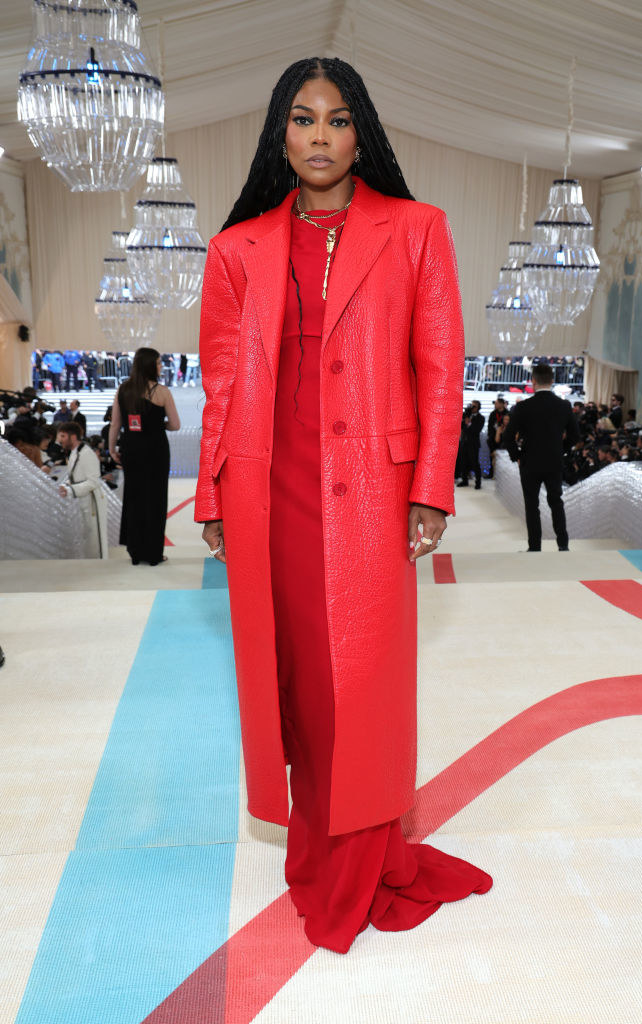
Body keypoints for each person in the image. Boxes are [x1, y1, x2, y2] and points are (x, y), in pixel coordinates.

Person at [195, 57, 492, 956]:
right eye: (302, 119)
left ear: (360, 132)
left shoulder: (416, 229)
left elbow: (442, 371)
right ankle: (320, 842)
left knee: (354, 682)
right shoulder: (235, 247)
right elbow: (221, 381)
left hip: (368, 489)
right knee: (291, 674)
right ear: (279, 135)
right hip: (268, 487)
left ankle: (362, 858)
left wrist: (429, 487)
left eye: (336, 120)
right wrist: (211, 489)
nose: (319, 136)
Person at [109, 347, 180, 566]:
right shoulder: (162, 392)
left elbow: (115, 424)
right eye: (158, 363)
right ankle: (154, 554)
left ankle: (135, 551)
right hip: (156, 450)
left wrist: (112, 449)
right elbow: (175, 425)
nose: (161, 366)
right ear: (150, 365)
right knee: (156, 499)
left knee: (134, 497)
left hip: (132, 449)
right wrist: (160, 425)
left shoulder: (123, 389)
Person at [502, 362, 579, 551]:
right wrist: (561, 450)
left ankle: (535, 547)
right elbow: (575, 436)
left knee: (532, 505)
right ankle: (563, 545)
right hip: (554, 461)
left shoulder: (523, 407)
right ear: (552, 381)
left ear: (533, 381)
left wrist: (517, 456)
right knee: (556, 502)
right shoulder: (564, 405)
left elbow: (507, 436)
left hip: (529, 462)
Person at [56, 421, 108, 559]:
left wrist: (71, 490)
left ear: (73, 437)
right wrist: (67, 486)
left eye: (62, 436)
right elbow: (75, 476)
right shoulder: (74, 452)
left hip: (92, 502)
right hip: (83, 499)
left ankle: (98, 567)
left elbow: (93, 481)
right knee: (87, 536)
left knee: (94, 538)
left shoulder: (87, 454)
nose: (59, 440)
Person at [456, 399, 484, 487]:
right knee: (463, 462)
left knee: (475, 462)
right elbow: (460, 426)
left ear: (478, 408)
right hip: (464, 442)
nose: (472, 407)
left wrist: (469, 424)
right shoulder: (465, 415)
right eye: (471, 405)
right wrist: (465, 421)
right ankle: (464, 480)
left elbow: (476, 430)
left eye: (474, 406)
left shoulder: (481, 418)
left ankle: (478, 482)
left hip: (473, 444)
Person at [486, 396, 507, 478]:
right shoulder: (493, 414)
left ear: (502, 404)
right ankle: (491, 473)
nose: (495, 405)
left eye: (497, 403)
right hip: (492, 439)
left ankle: (502, 475)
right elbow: (489, 426)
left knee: (502, 457)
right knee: (491, 456)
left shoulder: (507, 413)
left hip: (503, 439)